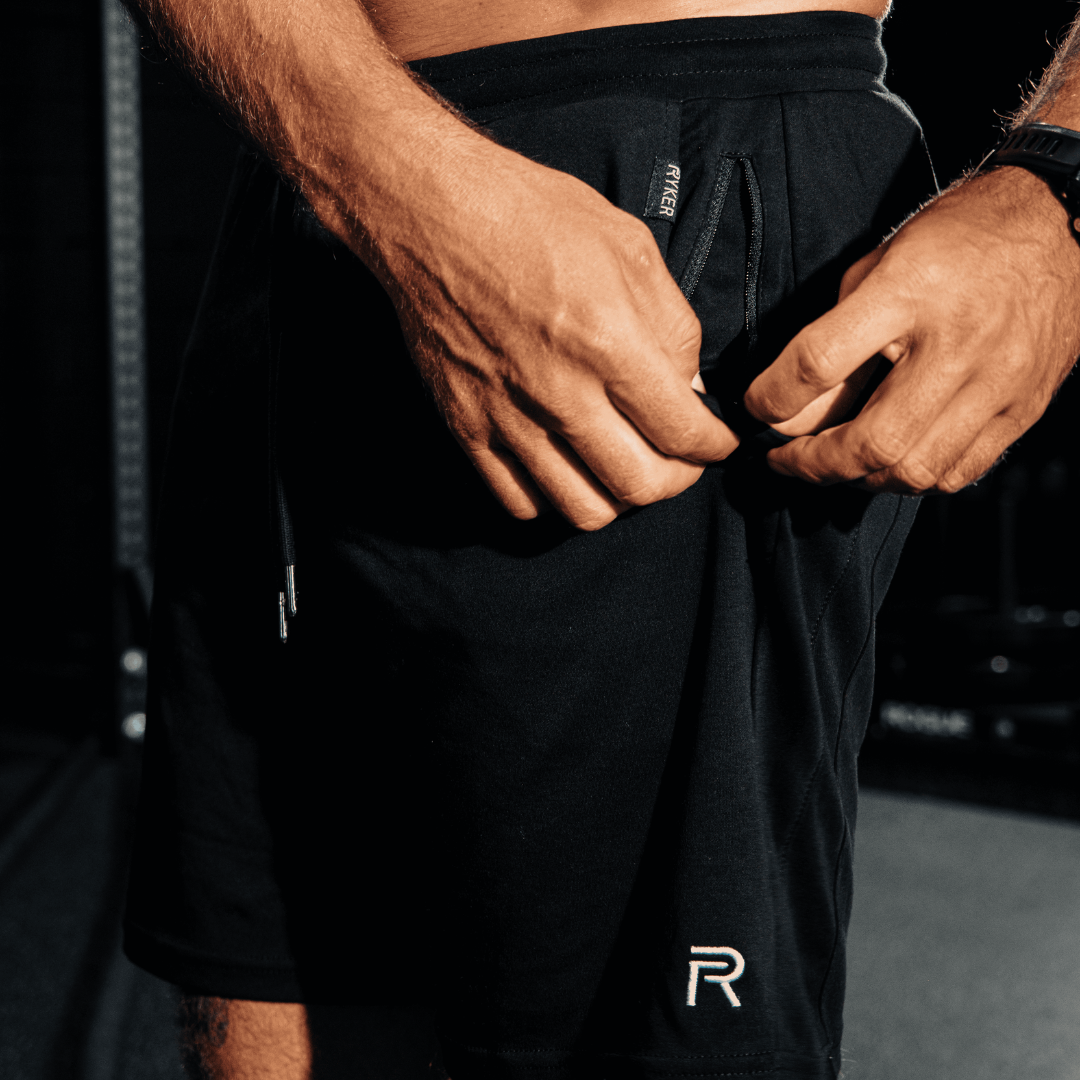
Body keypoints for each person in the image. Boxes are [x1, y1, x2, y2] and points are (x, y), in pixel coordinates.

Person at [120, 0, 1080, 1075]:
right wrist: (368, 166)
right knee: (268, 994)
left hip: (656, 188)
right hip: (303, 161)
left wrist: (1061, 187)